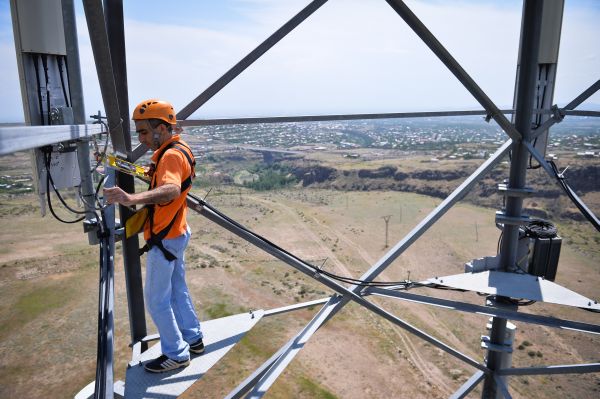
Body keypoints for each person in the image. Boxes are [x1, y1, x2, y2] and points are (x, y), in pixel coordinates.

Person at [104, 99, 204, 373]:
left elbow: (171, 189)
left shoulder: (170, 155)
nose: (141, 138)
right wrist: (115, 164)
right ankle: (193, 339)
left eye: (144, 132)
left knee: (157, 300)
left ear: (161, 127)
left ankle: (177, 353)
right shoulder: (178, 149)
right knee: (177, 292)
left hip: (166, 237)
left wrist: (130, 198)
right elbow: (160, 178)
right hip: (176, 233)